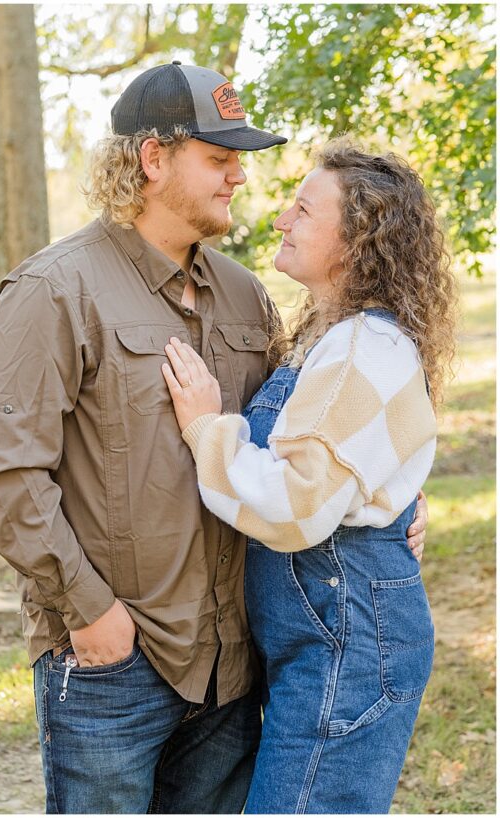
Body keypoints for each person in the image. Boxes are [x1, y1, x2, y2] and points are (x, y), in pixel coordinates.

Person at [0, 62, 426, 814]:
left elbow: (314, 426)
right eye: (219, 159)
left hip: (231, 666)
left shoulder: (247, 295)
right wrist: (88, 611)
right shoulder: (53, 291)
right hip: (115, 660)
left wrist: (394, 489)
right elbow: (7, 479)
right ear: (153, 159)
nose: (239, 177)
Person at [162, 139, 455, 813]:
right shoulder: (332, 338)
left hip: (348, 642)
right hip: (330, 632)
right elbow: (363, 453)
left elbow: (296, 505)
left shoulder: (363, 348)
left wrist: (207, 427)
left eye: (302, 209)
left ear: (357, 240)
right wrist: (395, 495)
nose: (281, 221)